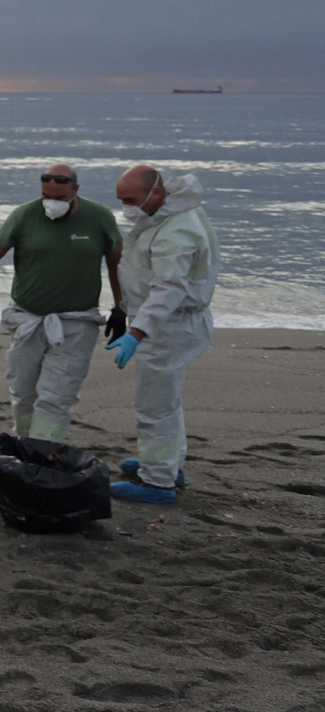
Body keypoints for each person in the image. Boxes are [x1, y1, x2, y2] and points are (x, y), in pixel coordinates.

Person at [0, 164, 124, 443]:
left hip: (77, 322)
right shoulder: (24, 215)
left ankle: (44, 449)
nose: (52, 203)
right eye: (47, 196)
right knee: (23, 391)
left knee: (57, 394)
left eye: (59, 198)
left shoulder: (99, 217)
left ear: (76, 190)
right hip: (27, 318)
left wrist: (121, 309)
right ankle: (23, 438)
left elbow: (118, 264)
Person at [106, 167, 219, 504]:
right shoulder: (169, 211)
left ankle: (157, 481)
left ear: (156, 193)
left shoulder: (177, 230)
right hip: (169, 321)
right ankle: (169, 464)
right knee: (167, 401)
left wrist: (136, 333)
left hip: (170, 325)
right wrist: (124, 308)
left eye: (130, 200)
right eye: (121, 200)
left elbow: (168, 290)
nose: (126, 207)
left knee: (154, 404)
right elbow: (143, 272)